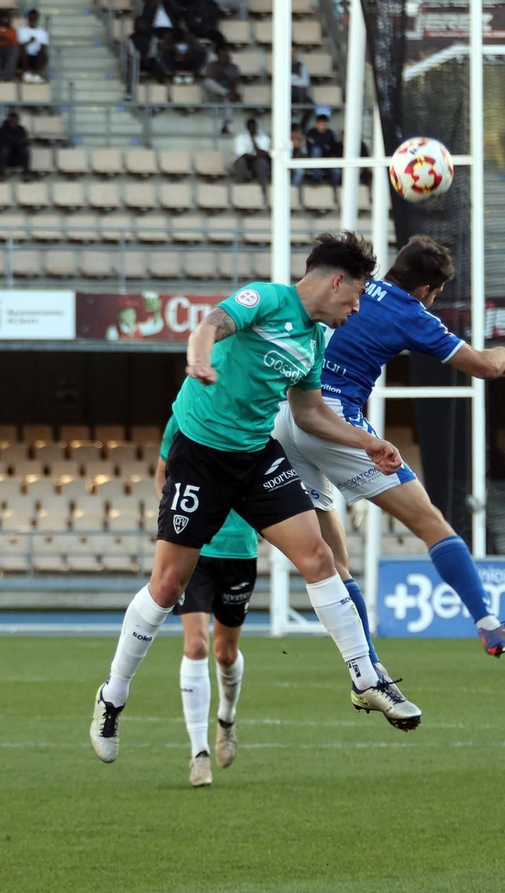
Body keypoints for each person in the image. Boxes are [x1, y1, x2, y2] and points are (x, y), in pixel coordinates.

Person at [90, 231, 421, 766]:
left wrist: (368, 442)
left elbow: (309, 412)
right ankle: (113, 695)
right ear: (337, 281)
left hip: (254, 455)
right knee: (167, 585)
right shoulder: (266, 299)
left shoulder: (314, 341)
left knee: (319, 557)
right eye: (358, 295)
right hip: (201, 454)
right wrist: (198, 360)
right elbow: (210, 325)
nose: (357, 308)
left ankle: (366, 678)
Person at [269, 235, 505, 666]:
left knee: (334, 562)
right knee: (431, 523)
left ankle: (367, 670)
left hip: (287, 413)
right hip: (331, 416)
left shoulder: (359, 288)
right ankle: (490, 624)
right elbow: (484, 366)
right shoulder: (410, 313)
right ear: (426, 290)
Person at [155, 414, 255, 788]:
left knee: (225, 653)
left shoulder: (252, 414)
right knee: (195, 644)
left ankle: (226, 718)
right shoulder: (183, 416)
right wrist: (174, 524)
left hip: (239, 551)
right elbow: (163, 476)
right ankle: (199, 755)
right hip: (195, 551)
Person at [203, 46, 242, 136]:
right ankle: (226, 93)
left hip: (229, 93)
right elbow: (212, 79)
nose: (224, 56)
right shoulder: (212, 65)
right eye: (222, 54)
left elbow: (235, 82)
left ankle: (225, 126)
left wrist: (231, 92)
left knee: (229, 99)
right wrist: (220, 66)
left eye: (226, 54)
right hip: (214, 93)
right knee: (207, 82)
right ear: (218, 55)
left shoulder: (233, 67)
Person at [232, 118, 271, 187]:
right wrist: (254, 155)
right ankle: (240, 186)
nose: (252, 128)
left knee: (262, 162)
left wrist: (253, 140)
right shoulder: (240, 137)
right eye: (250, 127)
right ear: (247, 127)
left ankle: (264, 186)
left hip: (258, 160)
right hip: (246, 161)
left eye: (253, 126)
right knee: (240, 162)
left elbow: (263, 153)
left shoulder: (263, 137)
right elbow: (241, 154)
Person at [305, 113, 341, 185]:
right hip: (314, 160)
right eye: (320, 124)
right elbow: (310, 148)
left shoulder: (330, 133)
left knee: (336, 172)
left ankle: (334, 188)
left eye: (324, 124)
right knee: (316, 150)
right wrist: (324, 145)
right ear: (316, 124)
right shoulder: (311, 132)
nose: (322, 126)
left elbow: (333, 148)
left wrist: (317, 142)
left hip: (327, 159)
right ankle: (316, 180)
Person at [16, 10, 50, 84]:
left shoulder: (42, 33)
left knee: (42, 53)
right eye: (31, 18)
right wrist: (29, 41)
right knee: (22, 51)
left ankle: (36, 75)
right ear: (28, 18)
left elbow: (44, 46)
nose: (32, 20)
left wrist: (39, 49)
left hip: (35, 57)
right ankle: (26, 74)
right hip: (24, 57)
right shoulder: (21, 30)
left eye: (34, 18)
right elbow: (19, 45)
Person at [0, 112, 31, 180]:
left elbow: (24, 141)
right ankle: (1, 173)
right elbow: (3, 142)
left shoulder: (21, 129)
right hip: (6, 154)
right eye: (11, 120)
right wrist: (16, 141)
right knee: (4, 150)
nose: (13, 122)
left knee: (25, 151)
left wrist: (18, 142)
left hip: (17, 153)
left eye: (15, 120)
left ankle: (26, 173)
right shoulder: (3, 130)